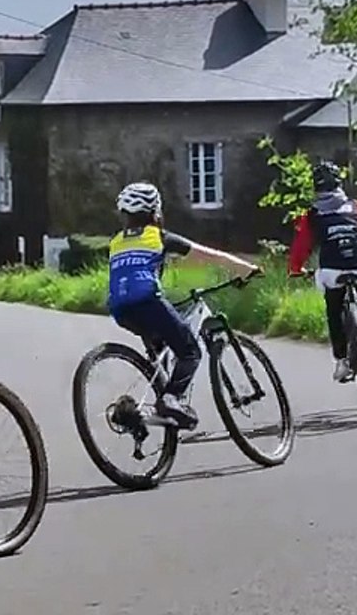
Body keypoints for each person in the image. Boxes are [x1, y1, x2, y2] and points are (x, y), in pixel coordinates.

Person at [107, 182, 260, 430]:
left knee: (163, 347)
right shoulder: (158, 236)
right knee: (190, 352)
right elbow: (209, 255)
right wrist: (247, 268)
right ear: (156, 212)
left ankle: (143, 414)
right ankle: (170, 399)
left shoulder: (116, 242)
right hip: (148, 301)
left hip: (119, 308)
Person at [287, 160, 357, 382]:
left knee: (334, 312)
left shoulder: (312, 215)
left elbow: (301, 246)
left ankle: (341, 361)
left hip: (331, 268)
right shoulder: (355, 207)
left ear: (316, 187)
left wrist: (296, 268)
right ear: (339, 183)